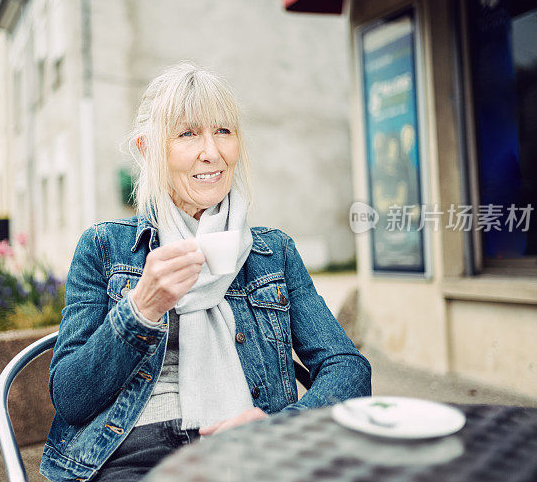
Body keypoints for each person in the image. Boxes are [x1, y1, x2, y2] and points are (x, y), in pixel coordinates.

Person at [39, 63, 372, 482]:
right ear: (147, 149)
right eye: (187, 133)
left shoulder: (273, 252)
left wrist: (284, 427)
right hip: (133, 452)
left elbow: (347, 367)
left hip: (249, 448)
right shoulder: (105, 247)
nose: (211, 152)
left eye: (224, 131)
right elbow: (71, 397)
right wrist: (139, 310)